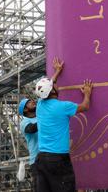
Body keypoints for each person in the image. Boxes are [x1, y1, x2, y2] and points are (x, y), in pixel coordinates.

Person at [34, 57, 93, 192]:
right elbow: (85, 106)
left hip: (42, 159)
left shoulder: (39, 105)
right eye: (54, 84)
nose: (56, 84)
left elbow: (48, 87)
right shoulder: (63, 107)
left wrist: (57, 72)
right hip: (58, 160)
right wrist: (87, 94)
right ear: (53, 91)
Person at [17, 96, 39, 186]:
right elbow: (32, 129)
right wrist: (47, 117)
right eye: (29, 102)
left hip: (52, 155)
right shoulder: (24, 122)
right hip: (37, 160)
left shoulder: (42, 117)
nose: (33, 101)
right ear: (25, 110)